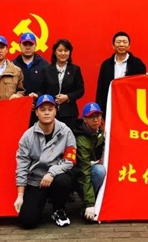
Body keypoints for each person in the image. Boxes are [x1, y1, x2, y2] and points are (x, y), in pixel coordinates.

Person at [14, 95, 76, 229]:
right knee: (27, 221)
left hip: (57, 177)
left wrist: (52, 173)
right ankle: (39, 205)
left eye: (50, 109)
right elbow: (22, 166)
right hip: (37, 180)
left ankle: (58, 209)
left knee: (64, 180)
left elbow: (70, 160)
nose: (46, 113)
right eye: (42, 110)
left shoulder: (66, 132)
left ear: (55, 111)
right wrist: (20, 195)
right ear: (36, 112)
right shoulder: (27, 136)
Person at [38, 39, 85, 131]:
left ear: (70, 52)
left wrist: (67, 97)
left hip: (69, 113)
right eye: (60, 50)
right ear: (55, 52)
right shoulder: (46, 69)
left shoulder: (75, 69)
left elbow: (80, 90)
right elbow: (41, 90)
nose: (63, 53)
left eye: (66, 51)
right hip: (49, 112)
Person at [95, 31, 147, 114]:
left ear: (129, 45)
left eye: (125, 42)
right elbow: (101, 89)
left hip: (131, 106)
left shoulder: (137, 64)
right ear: (113, 45)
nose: (121, 45)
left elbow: (142, 87)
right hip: (110, 105)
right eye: (118, 42)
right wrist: (99, 111)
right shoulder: (106, 64)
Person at [74, 102, 106, 222]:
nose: (95, 120)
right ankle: (90, 204)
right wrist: (90, 204)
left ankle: (98, 202)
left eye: (98, 116)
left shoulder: (101, 131)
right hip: (79, 176)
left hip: (90, 169)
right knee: (99, 171)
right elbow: (85, 171)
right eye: (91, 117)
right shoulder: (81, 140)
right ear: (84, 119)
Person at [13, 32, 49, 125]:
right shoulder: (12, 65)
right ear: (19, 45)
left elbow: (48, 88)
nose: (28, 47)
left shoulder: (44, 65)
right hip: (18, 110)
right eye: (25, 44)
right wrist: (24, 102)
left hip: (39, 110)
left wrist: (37, 98)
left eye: (31, 44)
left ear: (36, 45)